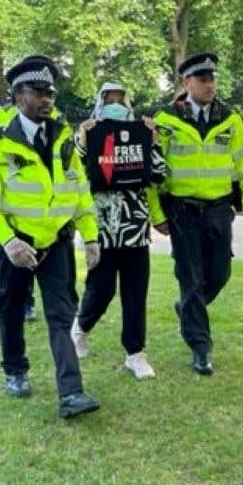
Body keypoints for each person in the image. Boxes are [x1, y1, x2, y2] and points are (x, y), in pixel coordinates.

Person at [0, 55, 102, 419]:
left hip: (56, 242)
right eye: (39, 92)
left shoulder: (63, 136)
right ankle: (15, 369)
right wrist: (8, 241)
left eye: (50, 93)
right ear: (18, 96)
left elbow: (79, 191)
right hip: (16, 244)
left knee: (62, 314)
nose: (47, 99)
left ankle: (71, 392)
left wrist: (90, 236)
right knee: (12, 309)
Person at [152, 52, 243, 375]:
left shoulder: (230, 118)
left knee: (220, 275)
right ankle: (201, 347)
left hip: (218, 211)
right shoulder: (165, 119)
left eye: (212, 79)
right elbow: (154, 173)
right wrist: (157, 215)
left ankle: (186, 310)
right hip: (182, 212)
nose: (210, 85)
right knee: (191, 278)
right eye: (202, 79)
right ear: (186, 83)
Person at [70, 82, 167, 380]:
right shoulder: (88, 132)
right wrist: (83, 142)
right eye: (108, 99)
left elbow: (160, 174)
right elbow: (75, 174)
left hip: (135, 228)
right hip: (100, 228)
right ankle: (80, 328)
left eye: (119, 99)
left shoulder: (141, 132)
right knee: (101, 289)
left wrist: (153, 142)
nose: (114, 104)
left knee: (136, 291)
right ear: (99, 101)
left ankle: (135, 353)